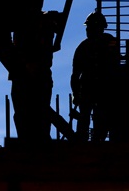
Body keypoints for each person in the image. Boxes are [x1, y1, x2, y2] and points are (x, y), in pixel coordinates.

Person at [10, 10, 61, 146]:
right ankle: (33, 140)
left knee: (35, 111)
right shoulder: (41, 21)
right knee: (29, 111)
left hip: (33, 74)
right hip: (27, 74)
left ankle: (35, 140)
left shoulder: (43, 21)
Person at [70, 11, 121, 142]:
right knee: (85, 118)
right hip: (89, 88)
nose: (88, 30)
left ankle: (97, 139)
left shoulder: (109, 41)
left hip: (104, 88)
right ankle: (84, 139)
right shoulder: (83, 47)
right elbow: (75, 75)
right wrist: (76, 93)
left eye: (91, 27)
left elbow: (114, 64)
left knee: (101, 118)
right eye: (88, 27)